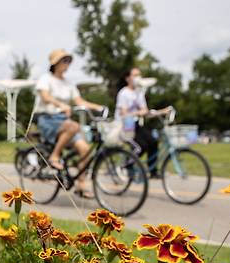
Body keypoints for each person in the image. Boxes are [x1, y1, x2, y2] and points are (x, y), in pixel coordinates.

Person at [34, 49, 107, 198]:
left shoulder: (68, 83)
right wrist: (60, 104)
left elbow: (79, 101)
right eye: (64, 60)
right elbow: (45, 96)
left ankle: (81, 185)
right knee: (74, 126)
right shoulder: (45, 79)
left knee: (85, 149)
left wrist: (98, 107)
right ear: (55, 63)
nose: (67, 64)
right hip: (48, 120)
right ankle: (54, 156)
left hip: (63, 122)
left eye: (68, 60)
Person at [115, 68, 170, 178]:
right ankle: (127, 166)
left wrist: (162, 112)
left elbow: (146, 112)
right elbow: (124, 113)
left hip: (135, 125)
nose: (138, 77)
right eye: (135, 75)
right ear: (127, 78)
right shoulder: (124, 93)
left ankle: (153, 171)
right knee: (141, 146)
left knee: (153, 142)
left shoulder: (139, 93)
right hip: (124, 126)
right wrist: (139, 112)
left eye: (139, 75)